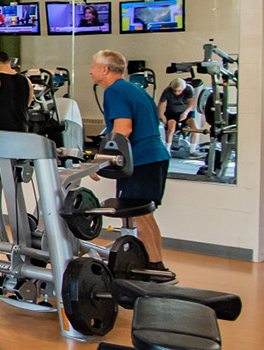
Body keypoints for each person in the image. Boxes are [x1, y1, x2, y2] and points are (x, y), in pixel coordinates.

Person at [89, 49, 173, 279]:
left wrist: (102, 161)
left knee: (142, 215)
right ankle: (156, 264)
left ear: (105, 70)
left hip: (142, 159)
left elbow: (123, 129)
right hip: (155, 157)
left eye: (94, 67)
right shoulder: (135, 89)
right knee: (146, 214)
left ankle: (155, 268)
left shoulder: (114, 91)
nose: (91, 71)